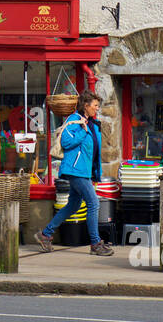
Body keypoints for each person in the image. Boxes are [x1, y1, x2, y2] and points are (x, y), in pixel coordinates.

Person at [36, 91, 113, 256]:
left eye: (98, 106)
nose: (97, 109)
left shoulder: (93, 123)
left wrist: (94, 172)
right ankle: (95, 243)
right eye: (95, 106)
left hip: (84, 171)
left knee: (73, 205)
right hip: (75, 170)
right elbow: (66, 142)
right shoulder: (74, 120)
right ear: (86, 106)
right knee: (93, 203)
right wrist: (82, 131)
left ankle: (45, 234)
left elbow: (94, 150)